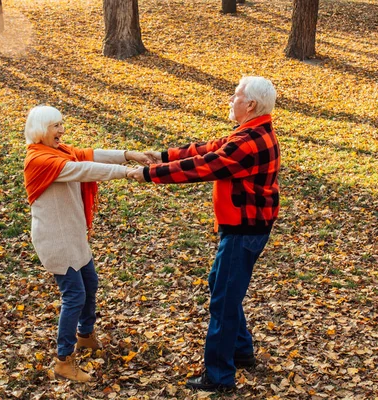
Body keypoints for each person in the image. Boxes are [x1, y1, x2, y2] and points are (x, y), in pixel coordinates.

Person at [128, 76, 280, 392]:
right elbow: (207, 149)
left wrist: (148, 173)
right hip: (245, 227)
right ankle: (241, 351)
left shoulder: (247, 142)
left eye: (235, 96)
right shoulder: (252, 132)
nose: (230, 100)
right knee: (221, 286)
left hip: (243, 231)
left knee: (223, 300)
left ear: (249, 104)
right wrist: (164, 156)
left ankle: (219, 376)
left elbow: (204, 166)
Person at [23, 105, 152, 382]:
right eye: (55, 126)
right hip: (56, 240)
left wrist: (129, 155)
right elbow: (83, 169)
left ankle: (85, 335)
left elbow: (89, 155)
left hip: (73, 234)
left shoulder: (58, 152)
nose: (61, 130)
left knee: (90, 284)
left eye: (61, 124)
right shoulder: (40, 160)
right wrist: (126, 172)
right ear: (40, 129)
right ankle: (63, 360)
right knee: (74, 296)